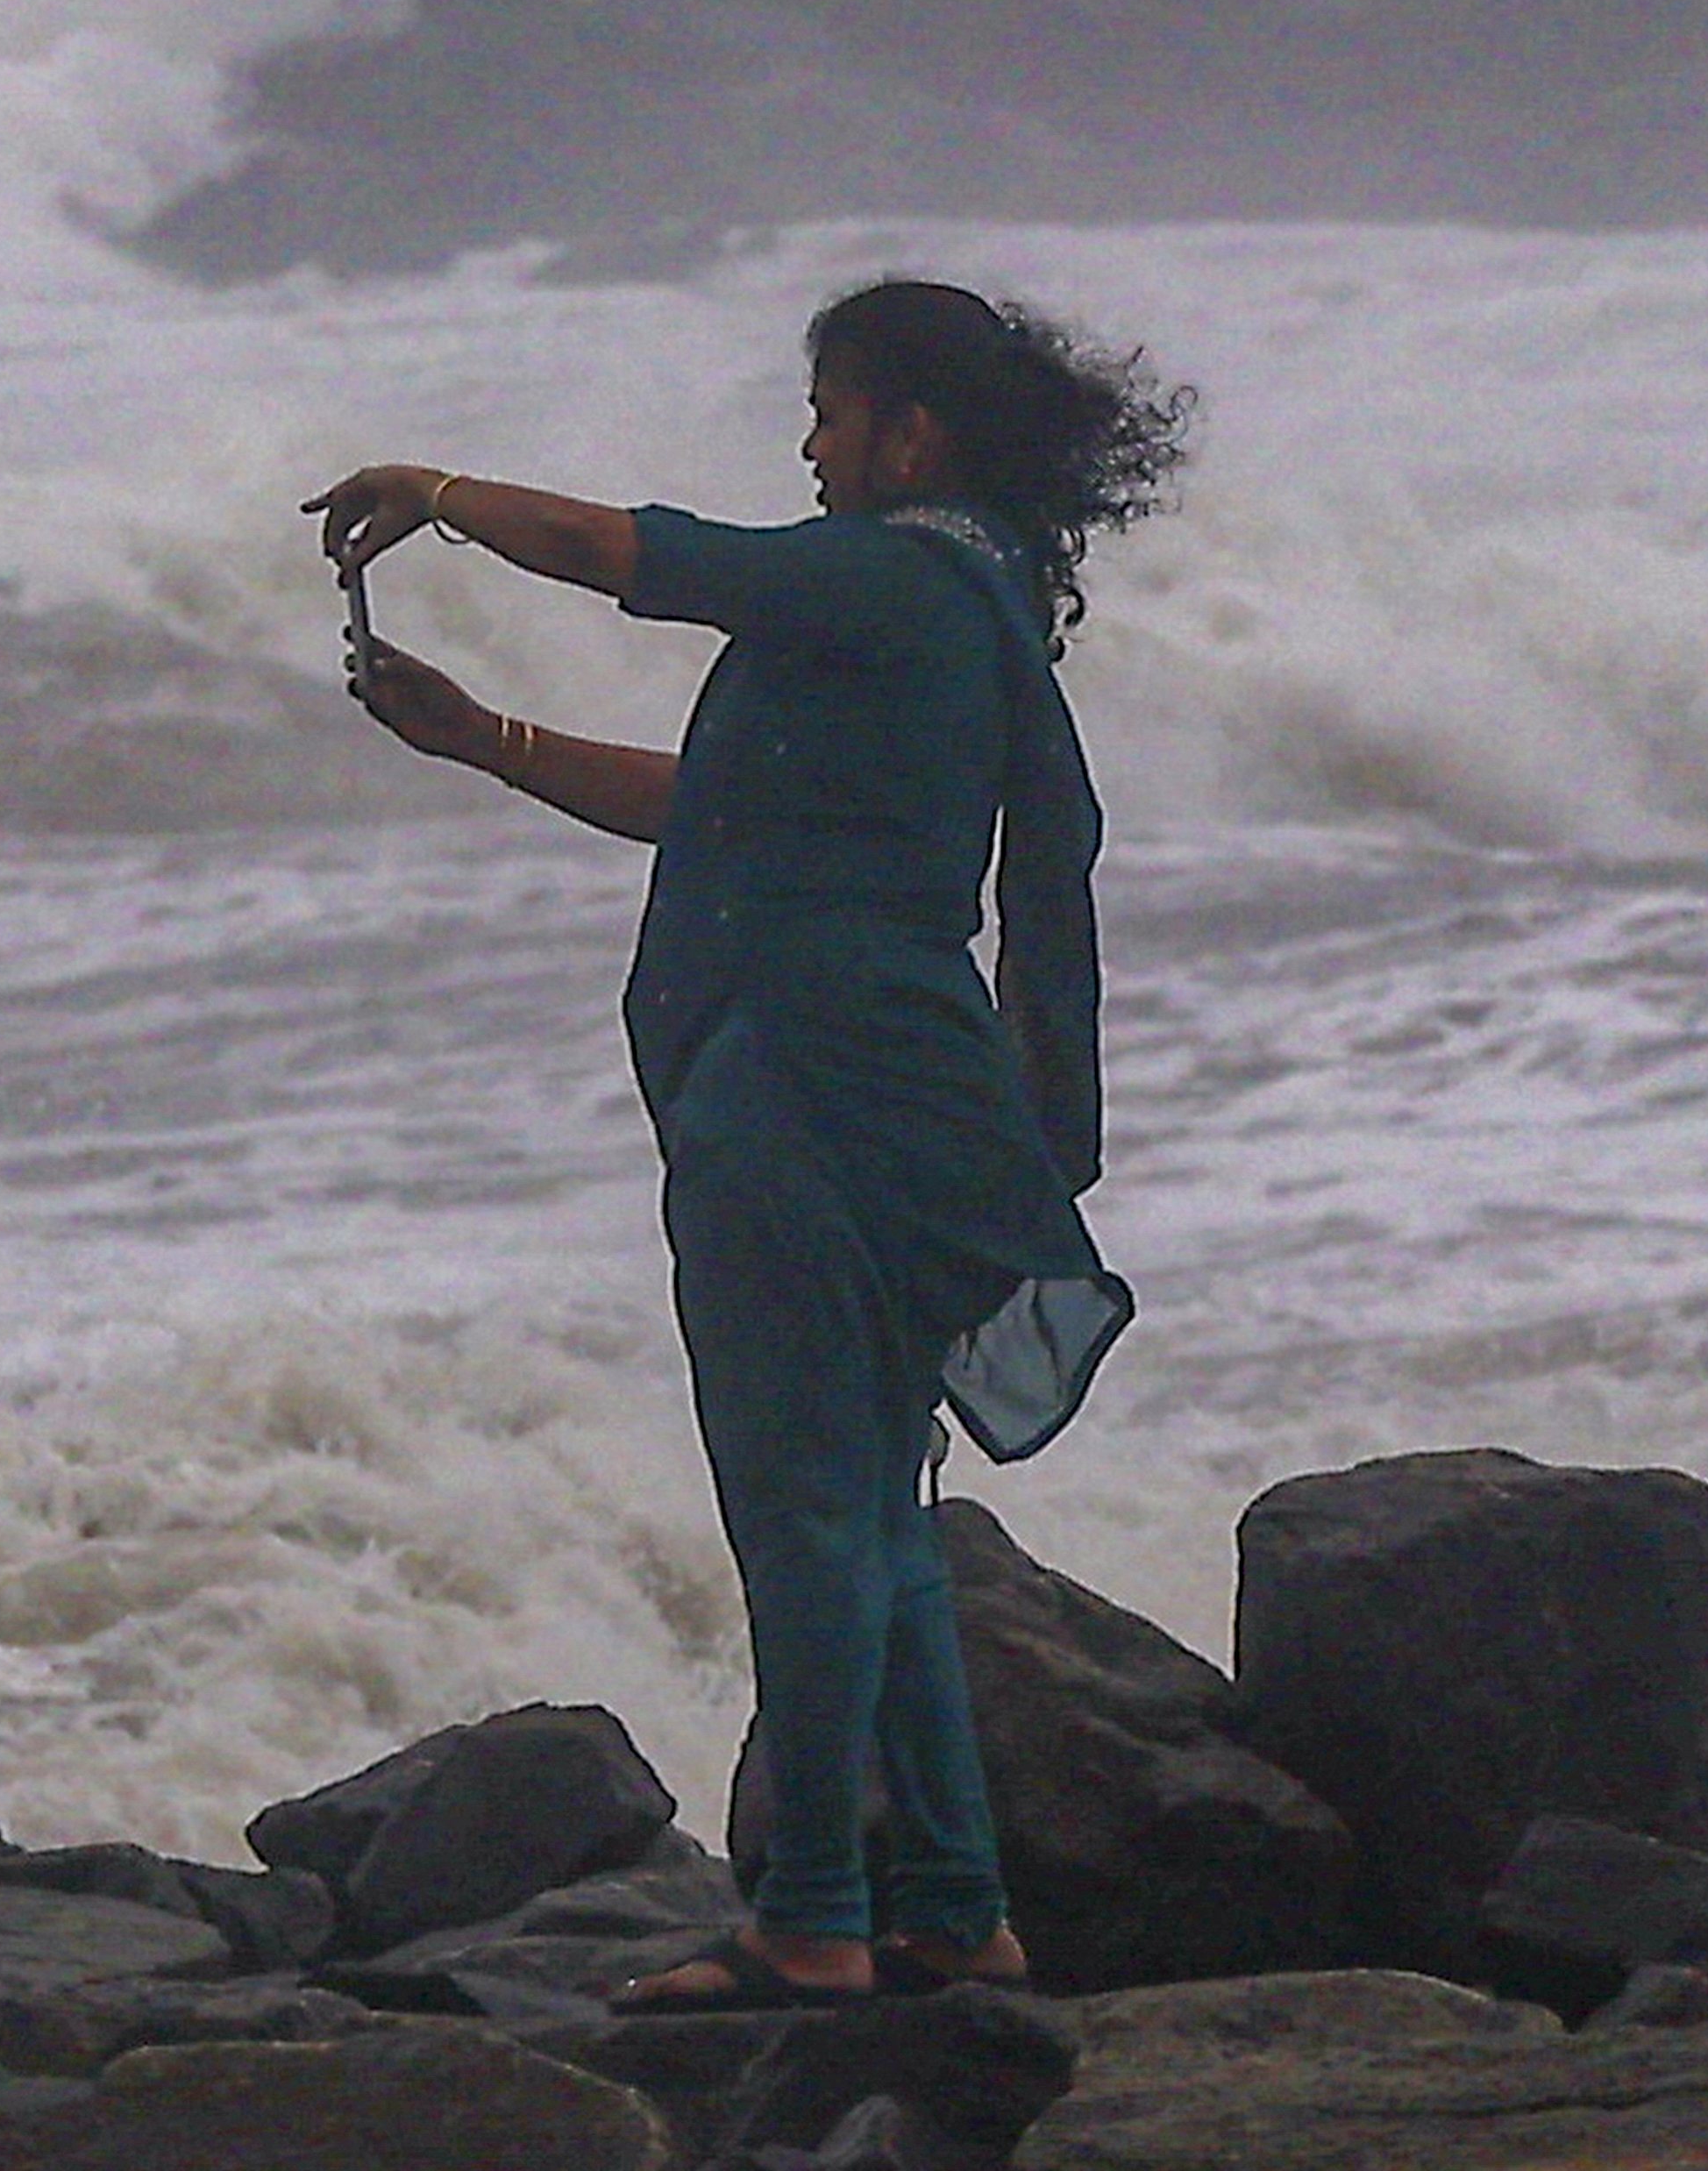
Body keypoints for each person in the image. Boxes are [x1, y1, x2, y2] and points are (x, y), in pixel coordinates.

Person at [304, 277, 1189, 2011]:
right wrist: (486, 739)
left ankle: (807, 1915)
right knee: (879, 1515)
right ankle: (949, 1898)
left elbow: (640, 552)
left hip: (794, 1090)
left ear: (906, 431)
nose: (808, 444)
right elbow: (715, 802)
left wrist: (436, 492)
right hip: (903, 1090)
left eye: (829, 410)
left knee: (801, 1512)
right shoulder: (971, 601)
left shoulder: (878, 572)